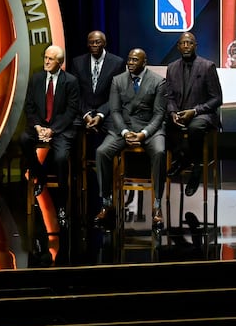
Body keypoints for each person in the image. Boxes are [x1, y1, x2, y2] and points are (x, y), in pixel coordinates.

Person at [93, 48, 167, 229]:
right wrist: (125, 132)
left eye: (135, 60)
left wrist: (144, 134)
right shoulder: (118, 80)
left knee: (159, 152)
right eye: (129, 60)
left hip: (149, 128)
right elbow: (115, 111)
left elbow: (159, 114)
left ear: (144, 62)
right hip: (123, 127)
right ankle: (106, 201)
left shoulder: (158, 82)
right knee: (102, 152)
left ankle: (157, 205)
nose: (131, 63)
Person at [19, 45, 82, 214]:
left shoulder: (70, 81)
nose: (46, 61)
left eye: (50, 59)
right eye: (45, 58)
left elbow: (71, 111)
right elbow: (30, 106)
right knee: (24, 139)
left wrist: (52, 130)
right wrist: (38, 127)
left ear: (60, 62)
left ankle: (62, 203)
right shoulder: (36, 78)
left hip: (61, 129)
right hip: (39, 126)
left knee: (61, 158)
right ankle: (40, 176)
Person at [164, 32, 223, 196]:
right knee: (164, 123)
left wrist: (195, 111)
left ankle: (195, 170)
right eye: (182, 43)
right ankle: (181, 157)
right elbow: (169, 97)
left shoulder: (207, 66)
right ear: (178, 47)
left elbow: (217, 99)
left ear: (195, 45)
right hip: (181, 114)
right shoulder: (172, 67)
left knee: (195, 127)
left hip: (202, 114)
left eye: (189, 43)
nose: (186, 46)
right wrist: (173, 112)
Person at [72, 30, 125, 137]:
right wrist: (86, 115)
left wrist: (100, 115)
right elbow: (75, 93)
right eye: (91, 43)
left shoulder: (117, 63)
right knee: (68, 130)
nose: (94, 45)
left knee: (116, 132)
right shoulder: (77, 62)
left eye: (98, 42)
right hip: (83, 110)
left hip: (107, 111)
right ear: (87, 44)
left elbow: (117, 95)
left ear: (104, 44)